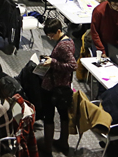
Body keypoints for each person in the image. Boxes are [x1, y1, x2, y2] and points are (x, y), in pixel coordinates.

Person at [39, 18, 76, 154]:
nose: (50, 38)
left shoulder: (62, 46)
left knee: (49, 116)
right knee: (63, 115)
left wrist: (52, 62)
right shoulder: (69, 41)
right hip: (64, 85)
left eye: (51, 35)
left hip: (53, 86)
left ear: (59, 31)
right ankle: (63, 142)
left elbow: (73, 65)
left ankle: (47, 147)